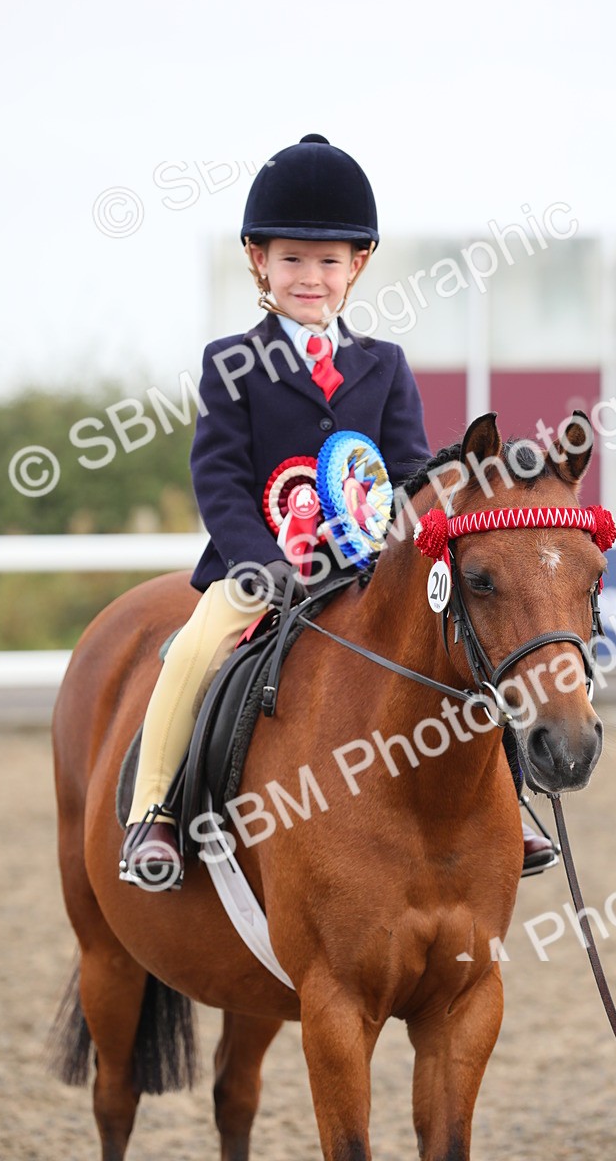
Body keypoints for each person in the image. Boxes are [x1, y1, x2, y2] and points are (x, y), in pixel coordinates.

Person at [119, 133, 556, 890]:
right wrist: (257, 564)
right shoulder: (233, 362)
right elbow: (219, 475)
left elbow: (411, 471)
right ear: (259, 260)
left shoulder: (381, 365)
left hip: (363, 565)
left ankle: (510, 806)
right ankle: (154, 816)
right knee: (192, 651)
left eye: (328, 261)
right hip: (263, 569)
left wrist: (434, 519)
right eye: (292, 259)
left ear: (357, 266)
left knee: (466, 645)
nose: (310, 277)